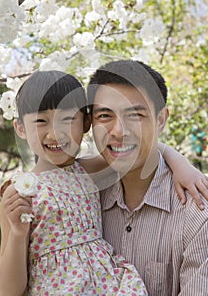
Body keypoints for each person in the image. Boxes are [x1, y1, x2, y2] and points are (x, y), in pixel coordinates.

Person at [0, 70, 148, 296]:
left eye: (66, 119)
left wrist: (185, 169)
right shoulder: (20, 193)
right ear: (20, 128)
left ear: (85, 123)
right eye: (40, 121)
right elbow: (9, 291)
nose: (54, 133)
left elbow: (140, 151)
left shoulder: (87, 171)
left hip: (107, 287)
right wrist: (18, 233)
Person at [87, 59, 208, 296]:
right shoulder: (81, 202)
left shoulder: (198, 215)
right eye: (104, 116)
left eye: (135, 115)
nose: (119, 131)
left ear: (161, 120)